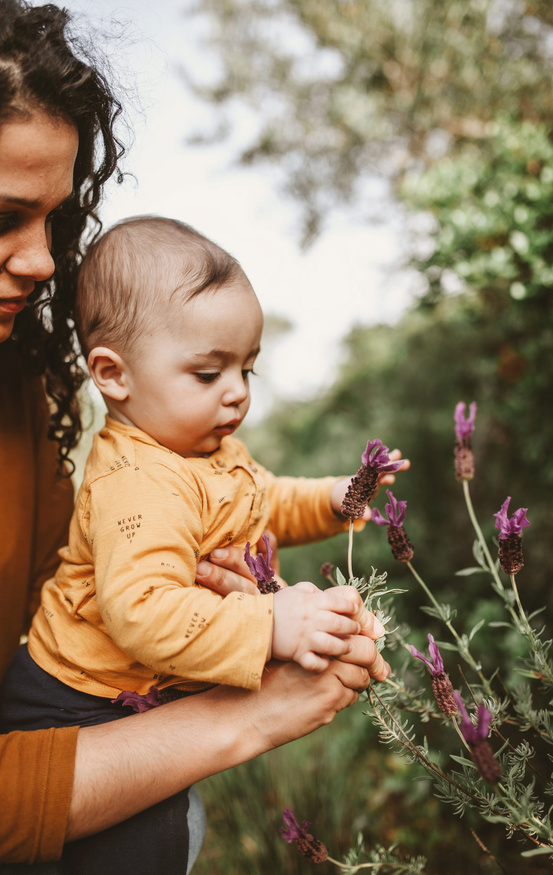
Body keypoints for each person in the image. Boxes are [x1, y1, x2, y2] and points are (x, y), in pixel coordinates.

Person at [0, 1, 391, 872]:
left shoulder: (170, 444)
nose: (41, 263)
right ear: (115, 375)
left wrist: (343, 498)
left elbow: (264, 503)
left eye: (54, 225)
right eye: (2, 218)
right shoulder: (141, 476)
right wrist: (262, 629)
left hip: (111, 712)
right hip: (71, 707)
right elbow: (139, 610)